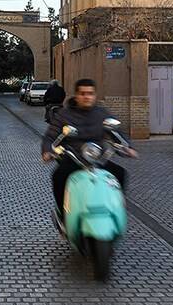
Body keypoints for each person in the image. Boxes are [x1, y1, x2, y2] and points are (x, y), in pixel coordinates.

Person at [41, 78, 136, 220]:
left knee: (120, 173)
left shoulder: (102, 113)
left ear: (95, 95)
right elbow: (50, 135)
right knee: (59, 176)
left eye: (90, 93)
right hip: (73, 158)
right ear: (76, 96)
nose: (87, 97)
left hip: (98, 159)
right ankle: (62, 214)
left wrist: (127, 147)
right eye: (83, 93)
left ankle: (117, 208)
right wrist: (48, 151)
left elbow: (117, 132)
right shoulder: (64, 114)